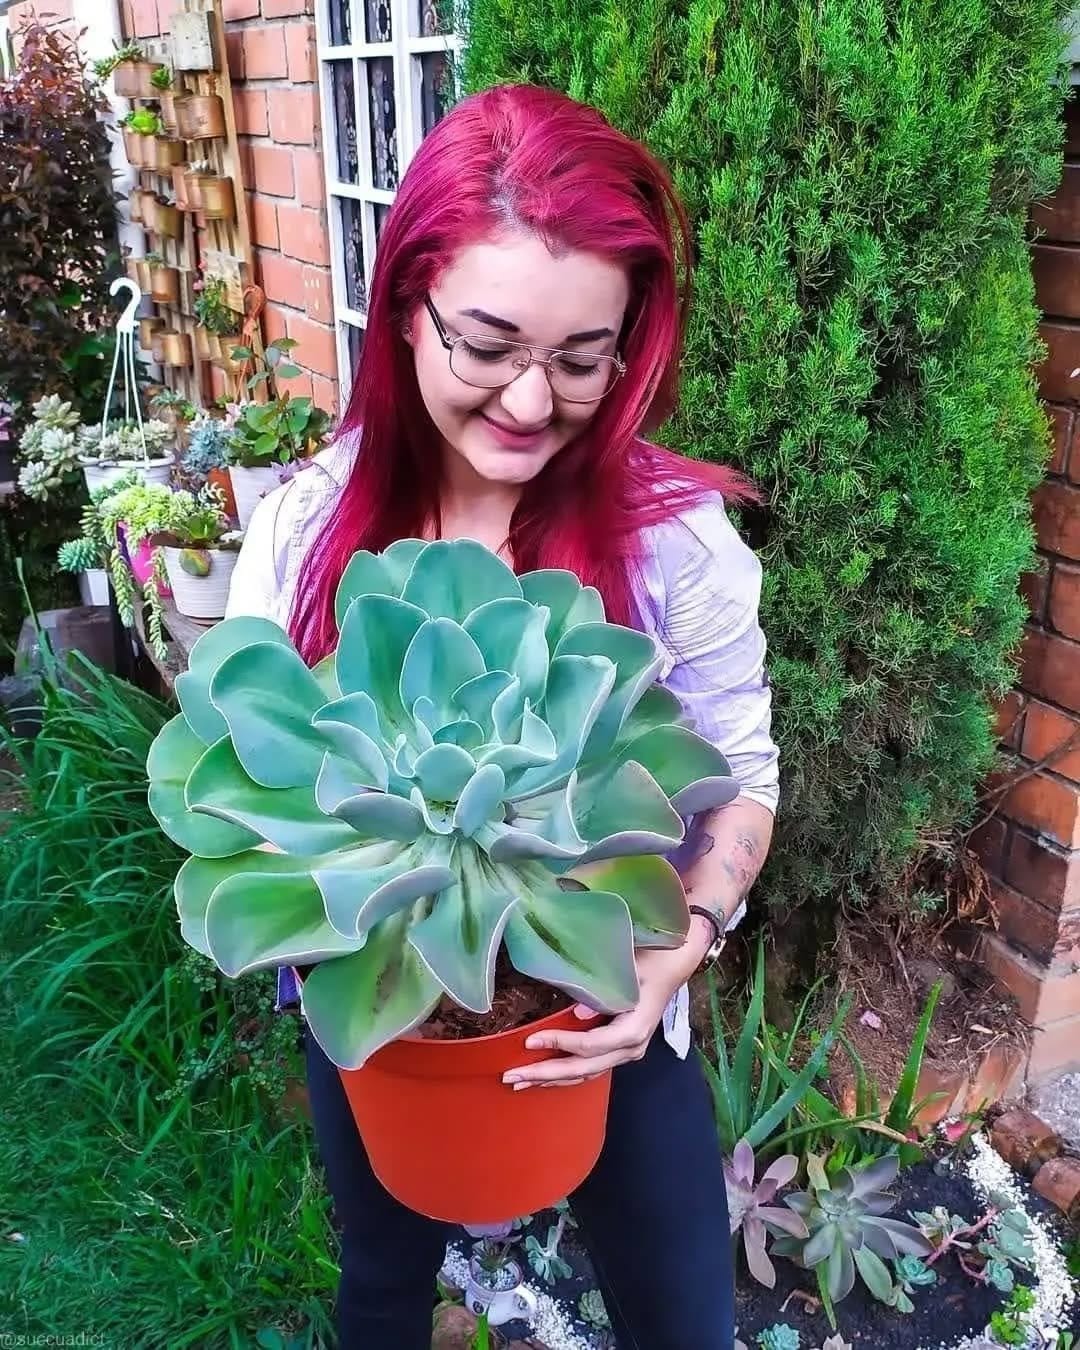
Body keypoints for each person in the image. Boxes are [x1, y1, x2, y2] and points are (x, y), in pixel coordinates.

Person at [226, 82, 779, 1350]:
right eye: (487, 346)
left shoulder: (673, 546)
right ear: (406, 309)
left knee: (685, 1318)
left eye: (582, 359)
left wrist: (676, 947)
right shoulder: (309, 530)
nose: (532, 403)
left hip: (606, 995)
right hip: (378, 1004)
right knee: (379, 1288)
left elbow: (742, 778)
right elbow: (251, 775)